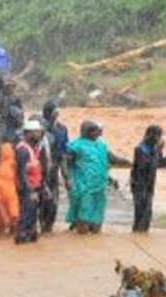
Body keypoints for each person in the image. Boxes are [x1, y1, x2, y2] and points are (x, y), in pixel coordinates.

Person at [65, 120, 128, 233]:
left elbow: (112, 159)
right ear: (86, 132)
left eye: (98, 131)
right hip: (83, 185)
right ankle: (81, 231)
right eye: (95, 131)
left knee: (98, 211)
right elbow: (67, 165)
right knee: (84, 210)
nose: (98, 133)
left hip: (100, 184)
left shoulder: (101, 145)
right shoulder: (75, 146)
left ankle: (95, 229)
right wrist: (68, 179)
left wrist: (130, 163)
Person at [14, 120, 47, 244]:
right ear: (28, 134)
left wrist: (43, 187)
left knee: (33, 216)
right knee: (26, 215)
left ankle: (30, 235)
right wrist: (30, 190)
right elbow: (21, 173)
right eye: (36, 132)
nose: (39, 134)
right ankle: (22, 236)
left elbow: (37, 169)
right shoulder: (23, 150)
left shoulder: (33, 148)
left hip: (35, 186)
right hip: (27, 189)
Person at [39, 100, 69, 233]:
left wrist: (66, 176)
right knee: (40, 200)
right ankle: (40, 223)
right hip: (39, 170)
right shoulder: (37, 128)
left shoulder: (62, 129)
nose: (55, 115)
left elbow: (64, 153)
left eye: (57, 112)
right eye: (53, 112)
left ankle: (48, 226)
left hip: (54, 168)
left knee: (53, 200)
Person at [129, 125, 164, 233]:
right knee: (141, 209)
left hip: (149, 183)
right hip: (139, 183)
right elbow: (144, 165)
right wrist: (157, 150)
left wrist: (160, 150)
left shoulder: (154, 147)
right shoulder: (140, 149)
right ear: (150, 135)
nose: (159, 138)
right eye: (158, 135)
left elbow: (159, 163)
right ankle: (138, 232)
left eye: (160, 136)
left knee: (147, 209)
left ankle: (143, 232)